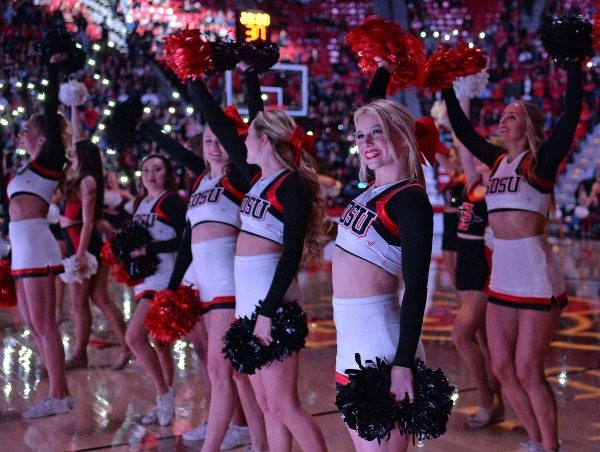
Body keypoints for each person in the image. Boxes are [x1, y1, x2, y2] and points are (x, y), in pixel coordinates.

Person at [442, 60, 582, 452]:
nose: (503, 121)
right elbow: (464, 132)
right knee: (503, 368)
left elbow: (571, 116)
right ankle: (535, 440)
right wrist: (446, 85)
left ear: (529, 127)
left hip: (535, 277)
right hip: (502, 275)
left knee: (527, 369)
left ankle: (550, 446)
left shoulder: (541, 163)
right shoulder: (496, 161)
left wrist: (573, 67)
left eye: (513, 117)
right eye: (502, 116)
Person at [192, 73, 328, 452]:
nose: (241, 142)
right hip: (249, 305)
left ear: (264, 140)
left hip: (274, 306)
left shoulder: (290, 184)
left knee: (284, 404)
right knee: (267, 403)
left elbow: (291, 254)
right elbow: (227, 123)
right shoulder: (257, 179)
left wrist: (267, 311)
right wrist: (195, 80)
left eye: (248, 135)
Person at [139, 102, 260, 449]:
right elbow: (187, 243)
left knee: (221, 369)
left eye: (220, 140)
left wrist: (194, 89)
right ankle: (257, 439)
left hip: (228, 282)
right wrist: (171, 289)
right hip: (203, 285)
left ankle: (214, 442)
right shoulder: (199, 182)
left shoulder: (240, 177)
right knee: (236, 372)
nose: (214, 147)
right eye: (207, 141)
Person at [333, 98, 433, 451]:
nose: (367, 142)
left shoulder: (410, 199)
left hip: (383, 346)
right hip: (351, 343)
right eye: (361, 135)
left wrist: (403, 363)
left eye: (378, 132)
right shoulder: (369, 194)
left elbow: (417, 287)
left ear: (402, 137)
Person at [10, 53, 72, 418]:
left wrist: (51, 69)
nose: (21, 134)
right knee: (33, 324)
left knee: (45, 324)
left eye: (26, 130)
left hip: (36, 246)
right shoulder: (27, 167)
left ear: (43, 136)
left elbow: (50, 110)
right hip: (21, 248)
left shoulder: (50, 160)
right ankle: (56, 391)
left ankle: (59, 395)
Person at [60, 103, 131, 371]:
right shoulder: (82, 177)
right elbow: (77, 138)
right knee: (100, 298)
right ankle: (127, 347)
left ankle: (80, 354)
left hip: (83, 245)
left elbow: (89, 220)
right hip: (81, 242)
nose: (71, 154)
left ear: (82, 156)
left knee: (79, 303)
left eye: (74, 153)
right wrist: (74, 106)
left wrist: (80, 254)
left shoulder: (88, 181)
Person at [451, 98, 503, 428]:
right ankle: (497, 403)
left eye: (485, 158)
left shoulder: (498, 191)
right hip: (465, 269)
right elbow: (462, 142)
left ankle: (486, 400)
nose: (478, 162)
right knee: (482, 340)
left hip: (485, 271)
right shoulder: (473, 185)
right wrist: (462, 98)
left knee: (461, 336)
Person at [124, 154, 186, 426]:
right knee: (161, 344)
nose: (150, 174)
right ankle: (166, 401)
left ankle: (163, 394)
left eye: (157, 169)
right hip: (144, 278)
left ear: (167, 173)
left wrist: (150, 249)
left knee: (134, 337)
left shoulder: (172, 201)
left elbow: (184, 240)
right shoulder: (140, 203)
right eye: (146, 169)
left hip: (164, 277)